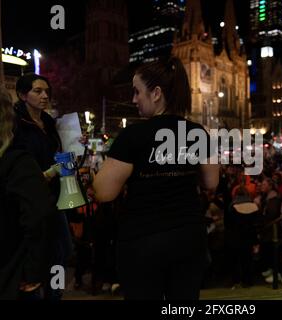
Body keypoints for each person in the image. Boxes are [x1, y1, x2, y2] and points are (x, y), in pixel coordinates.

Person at [93, 57, 219, 300]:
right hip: (189, 237)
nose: (133, 99)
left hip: (144, 239)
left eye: (137, 91)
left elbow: (104, 192)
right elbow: (211, 182)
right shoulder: (197, 132)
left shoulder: (133, 135)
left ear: (156, 93)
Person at [0, 82, 55, 300]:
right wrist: (33, 272)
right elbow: (40, 217)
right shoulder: (17, 163)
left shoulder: (45, 127)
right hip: (7, 279)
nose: (44, 96)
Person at [12, 73, 73, 300]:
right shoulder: (16, 124)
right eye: (37, 91)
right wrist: (45, 174)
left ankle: (54, 293)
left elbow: (59, 152)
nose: (44, 95)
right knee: (38, 252)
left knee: (61, 252)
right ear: (22, 95)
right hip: (31, 201)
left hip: (55, 197)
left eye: (47, 91)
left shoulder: (49, 122)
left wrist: (73, 149)